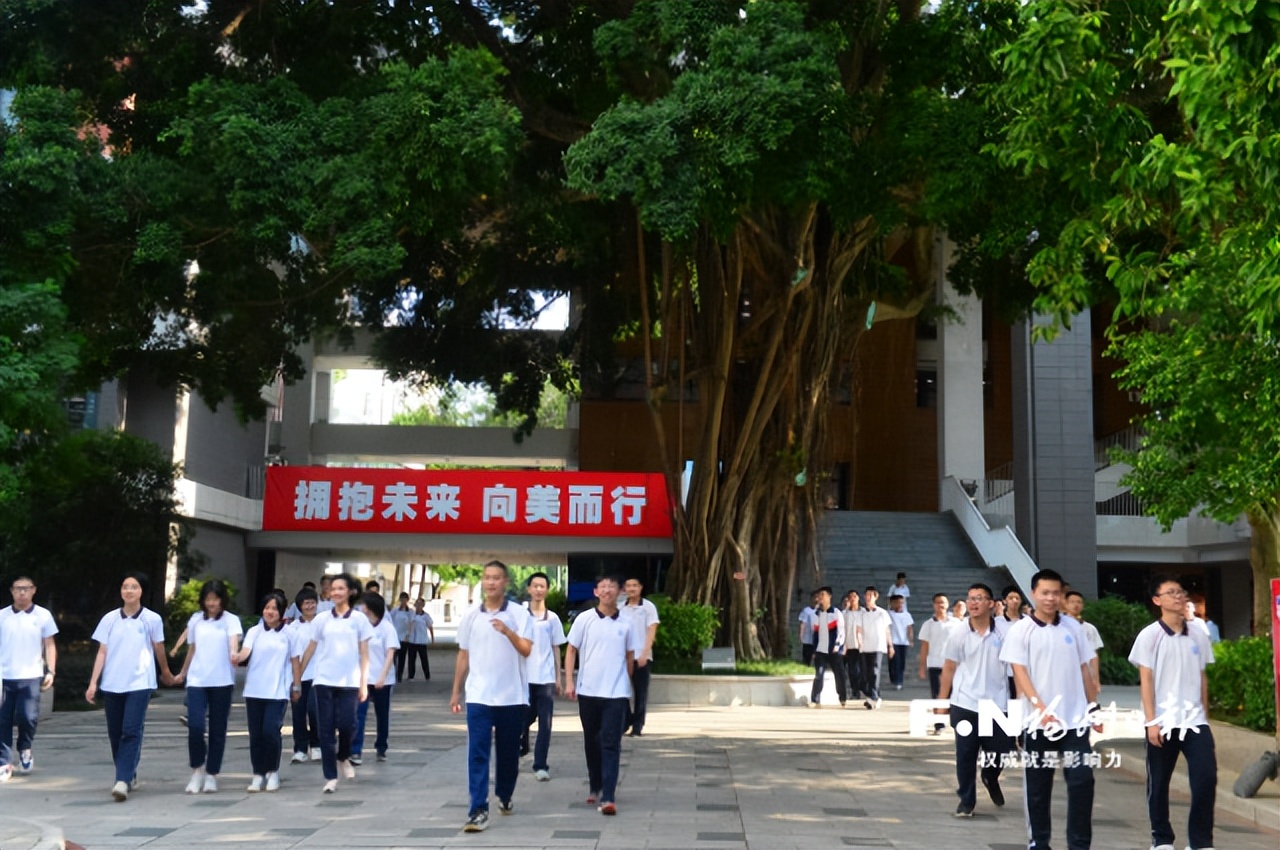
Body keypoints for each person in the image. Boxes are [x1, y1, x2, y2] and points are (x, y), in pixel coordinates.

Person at [1000, 568, 1099, 850]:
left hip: (1074, 721)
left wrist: (1094, 708)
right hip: (1038, 723)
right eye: (1045, 592)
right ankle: (1039, 842)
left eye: (1056, 593)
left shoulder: (1073, 627)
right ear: (1034, 593)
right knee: (1039, 788)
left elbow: (1085, 670)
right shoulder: (1022, 630)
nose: (1051, 598)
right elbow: (1020, 674)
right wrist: (1040, 709)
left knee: (1082, 780)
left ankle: (1079, 844)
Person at [1129, 576, 1217, 850]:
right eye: (1171, 593)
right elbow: (1146, 679)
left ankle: (1200, 841)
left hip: (1194, 722)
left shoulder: (1199, 635)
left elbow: (1202, 676)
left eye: (1180, 591)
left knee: (1206, 779)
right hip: (1163, 722)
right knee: (1159, 783)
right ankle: (1162, 838)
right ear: (1157, 601)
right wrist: (1151, 721)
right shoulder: (1150, 636)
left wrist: (1205, 711)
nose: (1179, 596)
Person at [451, 560, 534, 832]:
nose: (491, 582)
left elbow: (526, 650)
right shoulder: (472, 615)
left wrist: (507, 631)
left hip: (511, 697)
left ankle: (505, 794)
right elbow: (463, 654)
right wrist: (456, 692)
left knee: (508, 755)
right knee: (477, 753)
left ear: (505, 582)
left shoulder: (520, 614)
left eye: (497, 578)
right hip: (478, 696)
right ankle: (478, 809)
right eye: (487, 577)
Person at [85, 573, 176, 801]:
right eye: (125, 586)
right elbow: (102, 651)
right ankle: (127, 771)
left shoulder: (151, 619)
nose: (128, 591)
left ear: (141, 591)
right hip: (113, 682)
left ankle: (122, 780)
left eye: (133, 587)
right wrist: (93, 682)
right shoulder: (109, 619)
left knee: (130, 731)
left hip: (140, 683)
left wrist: (165, 672)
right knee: (115, 732)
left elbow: (159, 648)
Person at [934, 583, 1015, 817]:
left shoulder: (1004, 633)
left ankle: (990, 777)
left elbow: (1017, 669)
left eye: (979, 598)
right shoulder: (959, 632)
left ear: (991, 603)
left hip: (997, 704)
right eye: (970, 598)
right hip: (965, 703)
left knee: (1000, 752)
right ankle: (966, 801)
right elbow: (949, 668)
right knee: (966, 754)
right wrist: (942, 702)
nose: (973, 602)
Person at [564, 575, 639, 816]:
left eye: (612, 586)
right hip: (588, 691)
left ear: (620, 592)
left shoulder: (626, 623)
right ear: (596, 592)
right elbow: (571, 649)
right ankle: (595, 783)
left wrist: (626, 685)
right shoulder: (584, 619)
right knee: (591, 741)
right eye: (603, 587)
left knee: (610, 742)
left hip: (616, 693)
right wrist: (568, 681)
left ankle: (608, 795)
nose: (607, 590)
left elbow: (630, 657)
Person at [297, 572, 373, 794]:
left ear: (350, 592)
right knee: (326, 730)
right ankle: (330, 776)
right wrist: (298, 676)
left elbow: (364, 653)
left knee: (348, 724)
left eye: (341, 588)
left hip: (349, 681)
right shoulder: (322, 619)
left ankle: (344, 757)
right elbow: (311, 648)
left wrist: (363, 682)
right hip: (324, 680)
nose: (336, 592)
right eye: (333, 589)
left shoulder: (359, 619)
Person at [174, 579, 243, 794]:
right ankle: (197, 770)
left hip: (222, 680)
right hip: (197, 680)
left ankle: (212, 774)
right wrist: (183, 673)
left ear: (222, 600)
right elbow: (192, 649)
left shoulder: (231, 620)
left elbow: (234, 641)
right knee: (195, 726)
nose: (212, 603)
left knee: (217, 729)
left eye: (215, 599)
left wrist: (234, 653)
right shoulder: (196, 620)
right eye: (208, 599)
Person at [235, 590, 299, 792]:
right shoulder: (255, 631)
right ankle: (258, 773)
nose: (270, 612)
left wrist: (296, 685)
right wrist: (237, 656)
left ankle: (272, 771)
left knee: (270, 731)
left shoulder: (290, 633)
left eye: (274, 608)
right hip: (254, 689)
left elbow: (295, 661)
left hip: (277, 691)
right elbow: (246, 651)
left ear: (281, 612)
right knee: (256, 734)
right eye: (267, 608)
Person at [0, 575, 58, 780]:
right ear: (12, 591)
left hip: (31, 675)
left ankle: (25, 748)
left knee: (28, 717)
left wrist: (51, 670)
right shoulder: (2, 616)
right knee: (3, 721)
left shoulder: (42, 616)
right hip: (4, 676)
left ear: (34, 590)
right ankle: (5, 762)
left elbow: (50, 644)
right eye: (18, 589)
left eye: (26, 588)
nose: (22, 592)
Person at [522, 571, 566, 781]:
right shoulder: (520, 615)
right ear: (529, 589)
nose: (539, 590)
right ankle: (521, 745)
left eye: (542, 586)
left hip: (546, 679)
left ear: (547, 590)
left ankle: (540, 764)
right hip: (523, 678)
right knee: (523, 718)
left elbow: (556, 648)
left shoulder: (553, 619)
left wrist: (559, 677)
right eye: (535, 586)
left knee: (545, 723)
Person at [352, 592, 398, 765]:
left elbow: (390, 654)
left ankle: (381, 746)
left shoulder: (387, 628)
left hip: (382, 680)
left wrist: (382, 676)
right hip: (363, 679)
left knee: (382, 715)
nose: (360, 609)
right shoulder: (360, 627)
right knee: (359, 714)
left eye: (363, 606)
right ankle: (355, 750)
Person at [620, 576, 660, 736]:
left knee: (640, 693)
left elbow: (652, 631)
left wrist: (644, 653)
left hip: (641, 656)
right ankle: (626, 720)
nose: (631, 589)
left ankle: (637, 726)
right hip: (623, 658)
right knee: (621, 692)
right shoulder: (620, 608)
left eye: (635, 585)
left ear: (641, 587)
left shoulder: (648, 607)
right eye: (628, 586)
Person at [286, 586, 322, 763]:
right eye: (306, 603)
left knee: (315, 711)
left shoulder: (322, 623)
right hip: (298, 676)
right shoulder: (293, 627)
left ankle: (316, 745)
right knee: (298, 713)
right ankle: (300, 748)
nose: (309, 606)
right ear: (299, 606)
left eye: (312, 602)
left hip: (319, 675)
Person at [917, 593, 962, 733]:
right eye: (937, 602)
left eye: (943, 602)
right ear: (933, 605)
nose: (940, 605)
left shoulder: (956, 623)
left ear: (948, 605)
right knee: (938, 695)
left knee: (956, 696)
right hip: (935, 664)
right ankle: (939, 725)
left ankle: (956, 723)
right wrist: (922, 667)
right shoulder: (928, 624)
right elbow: (924, 647)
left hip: (954, 665)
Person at [807, 586, 848, 707]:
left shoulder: (836, 613)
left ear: (829, 596)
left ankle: (842, 697)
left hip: (834, 650)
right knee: (819, 674)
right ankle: (815, 699)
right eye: (819, 595)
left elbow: (841, 631)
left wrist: (837, 645)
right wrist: (814, 650)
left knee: (839, 674)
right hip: (820, 649)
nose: (820, 598)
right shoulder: (816, 614)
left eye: (823, 595)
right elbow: (815, 632)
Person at [857, 586, 892, 709]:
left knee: (875, 671)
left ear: (876, 597)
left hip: (878, 646)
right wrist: (860, 642)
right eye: (866, 595)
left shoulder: (882, 613)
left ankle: (873, 696)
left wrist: (890, 646)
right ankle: (875, 695)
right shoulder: (861, 613)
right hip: (865, 646)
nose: (868, 598)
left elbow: (887, 630)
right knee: (866, 673)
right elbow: (859, 629)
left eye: (870, 595)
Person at [1063, 590, 1104, 693]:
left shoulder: (1090, 628)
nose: (1075, 605)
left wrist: (1096, 679)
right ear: (1065, 604)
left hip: (1086, 675)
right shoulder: (1060, 626)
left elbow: (1094, 655)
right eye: (1072, 602)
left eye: (1079, 602)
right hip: (1065, 675)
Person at [887, 593, 914, 690]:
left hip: (904, 641)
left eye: (902, 603)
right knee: (895, 661)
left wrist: (910, 639)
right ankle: (897, 680)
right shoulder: (888, 614)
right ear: (892, 603)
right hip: (893, 641)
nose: (900, 605)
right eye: (897, 603)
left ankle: (898, 679)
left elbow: (909, 627)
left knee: (902, 662)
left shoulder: (907, 615)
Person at [842, 590, 865, 700]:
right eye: (850, 597)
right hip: (850, 645)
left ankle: (862, 689)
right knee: (852, 670)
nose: (853, 599)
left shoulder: (864, 612)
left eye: (855, 596)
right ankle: (855, 690)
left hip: (863, 645)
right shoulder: (845, 614)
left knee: (862, 669)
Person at [404, 597, 434, 680]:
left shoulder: (426, 616)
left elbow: (430, 627)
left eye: (420, 604)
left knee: (424, 659)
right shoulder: (411, 615)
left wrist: (432, 639)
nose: (418, 606)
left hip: (422, 640)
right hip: (412, 640)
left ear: (423, 605)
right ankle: (411, 676)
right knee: (411, 659)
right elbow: (408, 625)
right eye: (417, 604)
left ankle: (427, 675)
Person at [389, 592, 414, 682]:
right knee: (393, 657)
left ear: (407, 600)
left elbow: (411, 623)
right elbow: (390, 620)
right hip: (395, 637)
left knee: (402, 657)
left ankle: (399, 675)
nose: (403, 601)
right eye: (402, 599)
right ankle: (393, 674)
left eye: (405, 599)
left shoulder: (410, 612)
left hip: (404, 637)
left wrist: (408, 634)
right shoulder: (395, 610)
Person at [798, 591, 818, 665]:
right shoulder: (806, 611)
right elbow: (802, 624)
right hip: (807, 640)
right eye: (814, 597)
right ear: (811, 599)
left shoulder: (822, 611)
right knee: (807, 658)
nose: (816, 599)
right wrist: (801, 635)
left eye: (818, 597)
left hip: (818, 640)